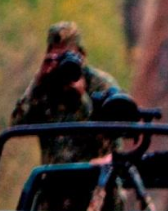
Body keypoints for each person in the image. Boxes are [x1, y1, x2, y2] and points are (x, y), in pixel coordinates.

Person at [10, 22, 123, 164]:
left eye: (68, 55)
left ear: (82, 55)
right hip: (53, 178)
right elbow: (17, 123)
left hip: (97, 177)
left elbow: (113, 140)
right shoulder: (46, 86)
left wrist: (81, 97)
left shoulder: (101, 84)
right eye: (58, 56)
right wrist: (38, 81)